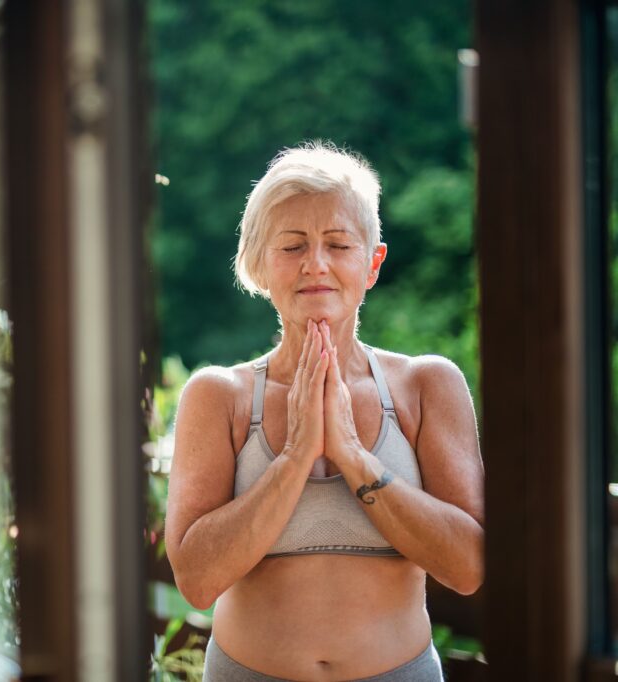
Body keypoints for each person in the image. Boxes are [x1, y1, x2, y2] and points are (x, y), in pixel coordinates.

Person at [164, 142, 484, 681]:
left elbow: (468, 566)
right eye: (292, 247)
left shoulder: (427, 386)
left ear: (372, 263)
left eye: (338, 244)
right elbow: (196, 580)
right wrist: (293, 457)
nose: (316, 264)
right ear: (261, 266)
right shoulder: (218, 395)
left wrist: (353, 456)